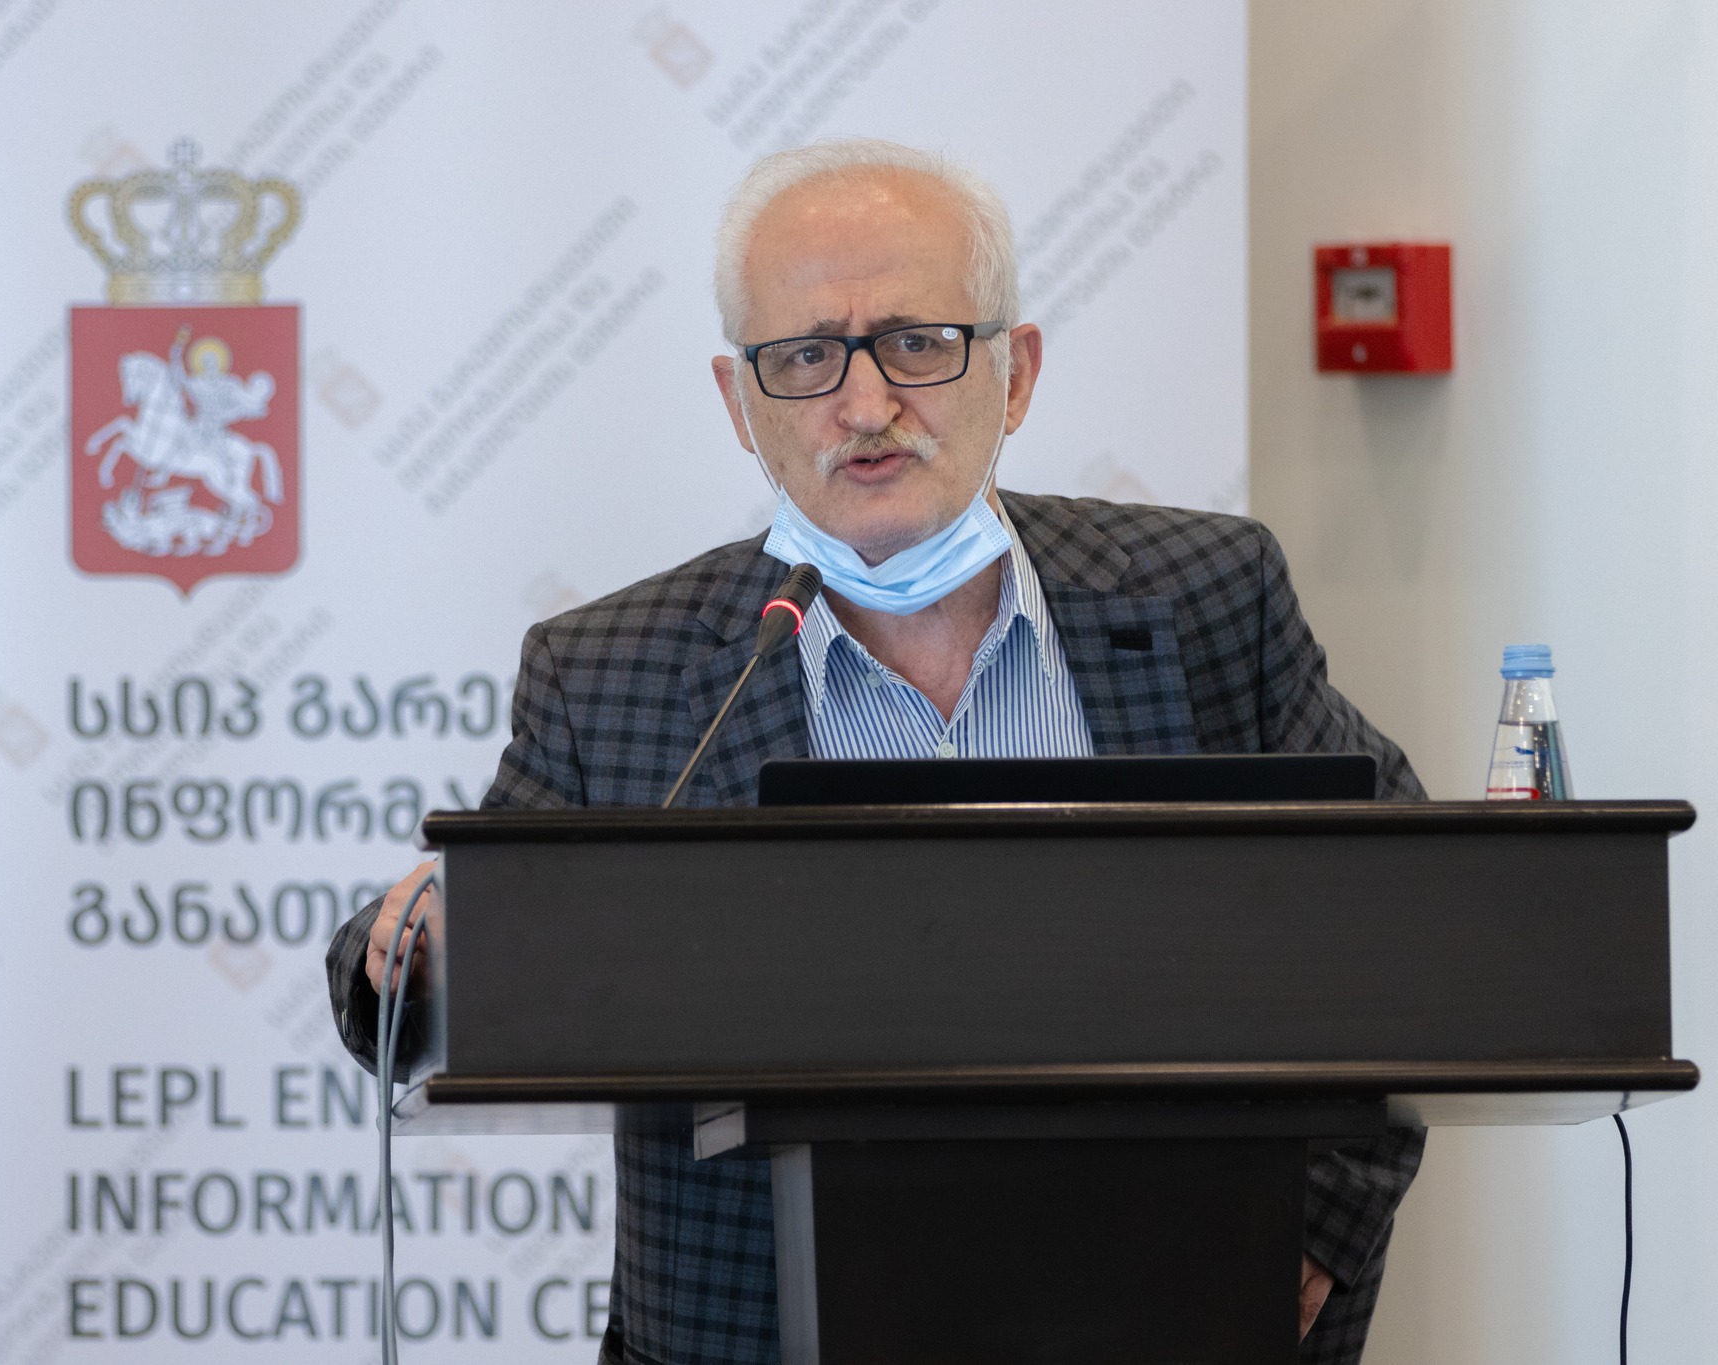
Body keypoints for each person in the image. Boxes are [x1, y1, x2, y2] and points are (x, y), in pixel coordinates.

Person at [327, 138, 1423, 1365]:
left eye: (913, 342)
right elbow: (445, 962)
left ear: (1014, 373)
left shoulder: (1205, 597)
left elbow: (1414, 918)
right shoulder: (612, 672)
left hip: (1168, 1319)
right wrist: (415, 953)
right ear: (738, 404)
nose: (863, 405)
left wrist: (1311, 1234)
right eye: (804, 356)